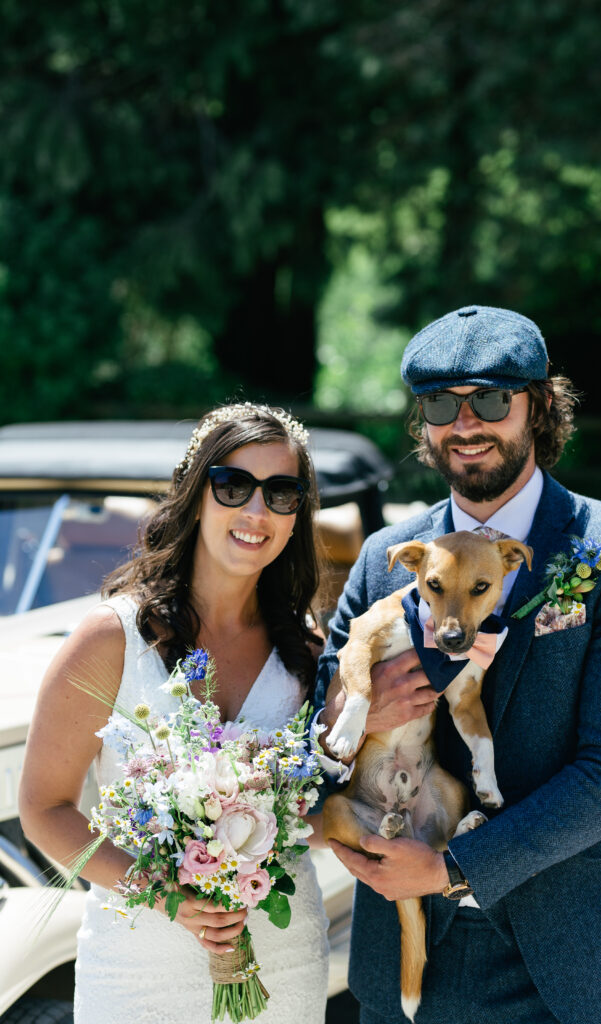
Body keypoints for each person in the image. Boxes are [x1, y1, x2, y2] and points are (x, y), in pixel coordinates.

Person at [315, 305, 601, 1024]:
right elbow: (314, 736)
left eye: (489, 400)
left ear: (539, 406)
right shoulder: (382, 555)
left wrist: (455, 867)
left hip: (573, 957)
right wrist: (364, 710)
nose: (464, 424)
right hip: (405, 949)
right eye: (439, 404)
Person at [19, 402, 330, 1024]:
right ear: (194, 496)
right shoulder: (111, 638)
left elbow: (321, 809)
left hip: (283, 962)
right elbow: (44, 809)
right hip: (139, 972)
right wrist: (167, 895)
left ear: (298, 516)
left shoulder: (306, 649)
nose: (255, 511)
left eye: (281, 493)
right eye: (233, 486)